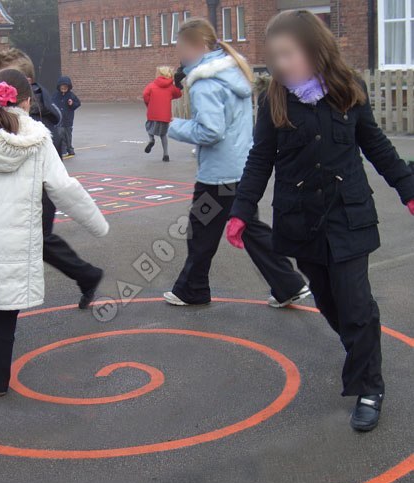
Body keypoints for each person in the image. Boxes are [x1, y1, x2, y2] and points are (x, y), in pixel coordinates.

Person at [226, 10, 414, 431]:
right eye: (274, 56)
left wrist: (409, 189)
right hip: (300, 220)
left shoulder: (349, 90)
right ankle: (359, 351)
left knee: (357, 304)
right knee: (329, 302)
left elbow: (377, 147)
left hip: (349, 216)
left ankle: (370, 386)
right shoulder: (273, 97)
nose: (280, 63)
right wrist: (241, 210)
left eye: (287, 53)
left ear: (314, 49)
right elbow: (260, 159)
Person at [0, 70, 109, 397]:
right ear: (27, 101)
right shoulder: (39, 140)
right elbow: (63, 188)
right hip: (17, 236)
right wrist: (96, 223)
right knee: (6, 308)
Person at [0, 49, 104, 310]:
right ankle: (86, 275)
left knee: (36, 242)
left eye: (2, 79)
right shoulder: (25, 106)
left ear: (24, 85)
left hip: (36, 191)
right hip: (19, 192)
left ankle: (87, 275)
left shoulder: (33, 113)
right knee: (32, 243)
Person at [164, 18, 309, 308]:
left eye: (182, 49)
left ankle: (192, 288)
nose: (180, 56)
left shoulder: (206, 82)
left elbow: (211, 130)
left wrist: (171, 125)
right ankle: (288, 284)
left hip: (218, 176)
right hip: (240, 167)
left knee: (202, 232)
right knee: (247, 227)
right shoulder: (233, 73)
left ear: (200, 46)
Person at [143, 66, 182, 162]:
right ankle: (166, 154)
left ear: (159, 74)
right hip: (165, 115)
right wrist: (177, 86)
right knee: (163, 134)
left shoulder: (151, 85)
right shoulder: (171, 87)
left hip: (153, 112)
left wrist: (149, 104)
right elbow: (178, 94)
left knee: (149, 127)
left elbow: (145, 95)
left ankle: (151, 139)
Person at [52, 76, 81, 159]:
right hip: (59, 121)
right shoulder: (55, 96)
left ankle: (70, 149)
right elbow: (51, 104)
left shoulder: (71, 95)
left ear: (68, 87)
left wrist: (72, 104)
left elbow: (78, 103)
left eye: (66, 87)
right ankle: (63, 150)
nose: (64, 89)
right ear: (59, 87)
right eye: (62, 87)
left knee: (68, 135)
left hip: (68, 120)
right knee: (60, 135)